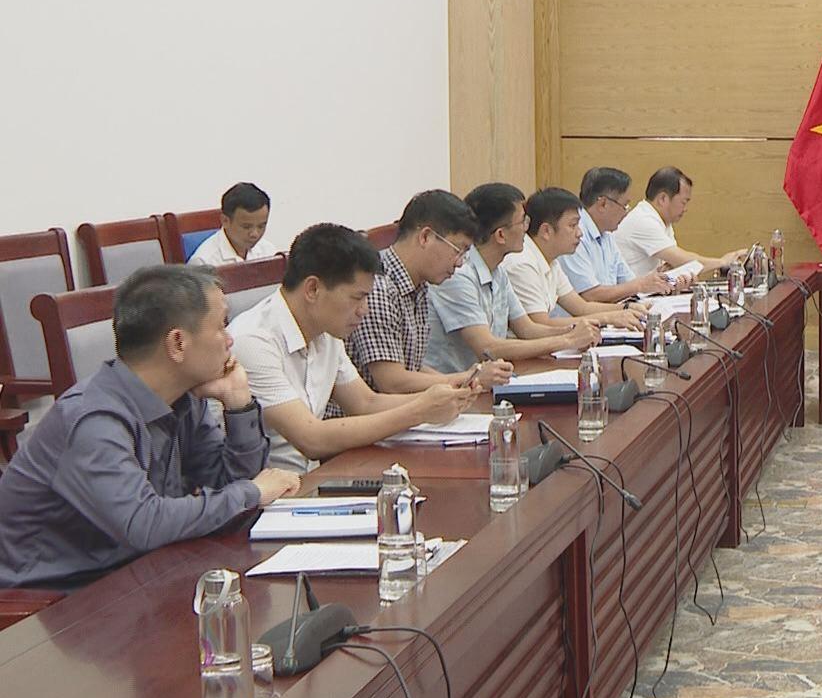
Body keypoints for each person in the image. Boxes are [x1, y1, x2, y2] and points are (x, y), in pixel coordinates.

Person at [0, 265, 302, 588]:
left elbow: (231, 484)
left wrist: (238, 403)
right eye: (221, 326)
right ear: (178, 344)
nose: (230, 340)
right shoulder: (93, 419)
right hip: (52, 598)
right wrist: (252, 492)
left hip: (136, 573)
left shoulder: (185, 399)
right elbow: (143, 523)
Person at [231, 224, 473, 472]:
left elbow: (365, 403)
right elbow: (311, 438)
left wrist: (443, 398)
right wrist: (420, 411)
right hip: (269, 490)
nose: (364, 310)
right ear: (313, 289)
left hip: (316, 480)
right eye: (357, 298)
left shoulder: (326, 330)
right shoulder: (254, 341)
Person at [347, 189, 515, 394]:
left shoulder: (419, 286)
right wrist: (469, 378)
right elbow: (392, 381)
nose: (460, 263)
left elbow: (412, 365)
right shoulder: (378, 287)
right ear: (426, 237)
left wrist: (463, 385)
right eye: (458, 250)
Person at [427, 183, 599, 373]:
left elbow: (527, 329)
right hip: (454, 382)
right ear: (501, 235)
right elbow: (488, 348)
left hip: (490, 379)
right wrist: (567, 340)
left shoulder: (498, 271)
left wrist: (572, 332)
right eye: (522, 221)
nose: (527, 228)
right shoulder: (458, 275)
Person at [500, 187, 650, 330]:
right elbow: (541, 324)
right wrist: (608, 318)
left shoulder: (551, 260)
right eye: (572, 225)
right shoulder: (522, 263)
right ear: (546, 231)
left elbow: (581, 307)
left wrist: (626, 308)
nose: (580, 233)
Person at [556, 167, 671, 303]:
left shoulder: (607, 233)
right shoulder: (574, 234)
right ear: (603, 204)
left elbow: (628, 282)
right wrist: (640, 285)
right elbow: (590, 295)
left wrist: (662, 282)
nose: (626, 212)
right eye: (625, 205)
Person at [612, 167, 748, 279]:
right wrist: (723, 262)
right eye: (683, 202)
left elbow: (678, 265)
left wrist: (678, 265)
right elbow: (684, 261)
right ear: (663, 199)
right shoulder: (643, 220)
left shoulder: (663, 221)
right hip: (630, 297)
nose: (685, 209)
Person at [188, 181, 281, 266]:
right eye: (246, 227)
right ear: (225, 221)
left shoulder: (268, 251)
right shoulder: (204, 262)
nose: (254, 234)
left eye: (261, 226)